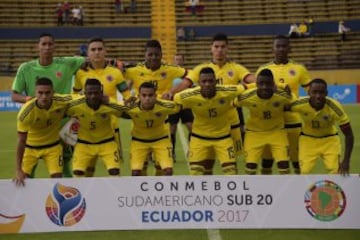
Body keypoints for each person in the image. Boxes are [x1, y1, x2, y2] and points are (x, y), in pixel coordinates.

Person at [164, 33, 256, 173]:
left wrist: (267, 82)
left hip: (232, 120)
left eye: (223, 47)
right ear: (211, 48)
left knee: (232, 162)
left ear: (227, 49)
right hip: (209, 120)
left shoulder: (236, 68)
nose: (219, 50)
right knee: (207, 161)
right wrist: (172, 92)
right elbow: (186, 83)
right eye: (216, 46)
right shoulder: (202, 69)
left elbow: (251, 79)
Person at [11, 32, 85, 178]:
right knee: (29, 166)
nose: (47, 47)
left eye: (50, 44)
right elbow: (14, 95)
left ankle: (70, 193)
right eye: (43, 44)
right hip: (37, 120)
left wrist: (114, 63)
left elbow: (92, 60)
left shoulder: (67, 63)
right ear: (37, 47)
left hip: (66, 120)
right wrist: (29, 100)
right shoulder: (26, 68)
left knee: (66, 161)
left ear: (54, 46)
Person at [123, 39, 187, 175]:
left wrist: (173, 92)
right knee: (140, 169)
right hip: (140, 124)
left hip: (161, 124)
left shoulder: (171, 70)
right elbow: (117, 76)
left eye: (156, 54)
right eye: (150, 54)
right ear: (145, 55)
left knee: (162, 169)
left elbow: (191, 77)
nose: (153, 57)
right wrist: (127, 95)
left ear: (161, 55)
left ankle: (159, 195)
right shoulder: (135, 70)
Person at [73, 37, 130, 177]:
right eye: (93, 50)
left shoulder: (115, 73)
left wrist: (112, 102)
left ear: (105, 51)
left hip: (111, 128)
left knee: (114, 170)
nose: (97, 52)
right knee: (87, 170)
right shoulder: (81, 73)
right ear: (88, 53)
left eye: (100, 49)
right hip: (88, 128)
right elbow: (74, 95)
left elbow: (127, 96)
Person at [174, 67, 246, 175]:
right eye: (204, 81)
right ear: (199, 83)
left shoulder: (227, 91)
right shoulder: (188, 95)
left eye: (210, 81)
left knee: (231, 172)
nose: (207, 84)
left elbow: (246, 87)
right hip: (199, 138)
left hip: (223, 138)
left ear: (215, 82)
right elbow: (173, 98)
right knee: (195, 173)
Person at [256, 35, 311, 175]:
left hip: (293, 122)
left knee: (296, 161)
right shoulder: (263, 70)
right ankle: (267, 190)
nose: (281, 49)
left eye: (284, 46)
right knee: (267, 161)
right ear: (272, 49)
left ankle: (298, 190)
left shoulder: (299, 69)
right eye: (278, 46)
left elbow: (311, 93)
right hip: (271, 123)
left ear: (289, 48)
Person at [288, 78, 354, 175]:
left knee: (335, 172)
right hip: (307, 140)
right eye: (314, 92)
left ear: (326, 93)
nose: (318, 96)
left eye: (321, 92)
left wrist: (346, 161)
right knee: (304, 172)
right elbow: (282, 107)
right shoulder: (299, 104)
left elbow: (349, 135)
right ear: (309, 92)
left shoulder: (334, 107)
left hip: (330, 140)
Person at [14, 78, 71, 186]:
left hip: (53, 147)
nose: (44, 96)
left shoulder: (62, 101)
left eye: (47, 93)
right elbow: (21, 141)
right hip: (30, 148)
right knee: (23, 180)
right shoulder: (25, 113)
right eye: (40, 93)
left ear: (53, 92)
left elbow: (80, 98)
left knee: (57, 179)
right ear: (35, 93)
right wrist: (18, 169)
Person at [234, 69, 292, 175]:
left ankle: (283, 191)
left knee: (284, 166)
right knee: (250, 167)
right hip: (254, 134)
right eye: (261, 83)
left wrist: (285, 88)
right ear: (256, 84)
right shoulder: (247, 96)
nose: (264, 87)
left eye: (268, 83)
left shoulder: (282, 96)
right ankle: (253, 190)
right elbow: (234, 104)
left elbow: (291, 103)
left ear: (273, 84)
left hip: (277, 133)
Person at [67, 78, 128, 177]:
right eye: (89, 93)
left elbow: (127, 114)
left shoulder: (109, 103)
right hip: (84, 144)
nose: (93, 96)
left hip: (107, 143)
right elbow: (62, 111)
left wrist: (111, 104)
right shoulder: (75, 105)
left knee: (114, 172)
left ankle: (114, 192)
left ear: (101, 92)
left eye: (96, 93)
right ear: (85, 93)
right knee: (78, 173)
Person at [126, 82, 180, 176]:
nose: (147, 98)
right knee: (136, 173)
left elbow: (180, 106)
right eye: (144, 95)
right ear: (139, 96)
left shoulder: (165, 105)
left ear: (155, 96)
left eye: (150, 95)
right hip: (139, 141)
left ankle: (160, 189)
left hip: (161, 140)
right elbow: (116, 109)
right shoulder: (130, 107)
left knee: (168, 171)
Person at [170, 54, 193, 161]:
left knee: (191, 127)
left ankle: (192, 150)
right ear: (174, 61)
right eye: (176, 59)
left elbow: (194, 86)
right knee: (172, 129)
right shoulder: (170, 74)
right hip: (173, 105)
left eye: (180, 59)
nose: (178, 61)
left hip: (185, 104)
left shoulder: (188, 74)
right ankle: (172, 152)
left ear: (183, 61)